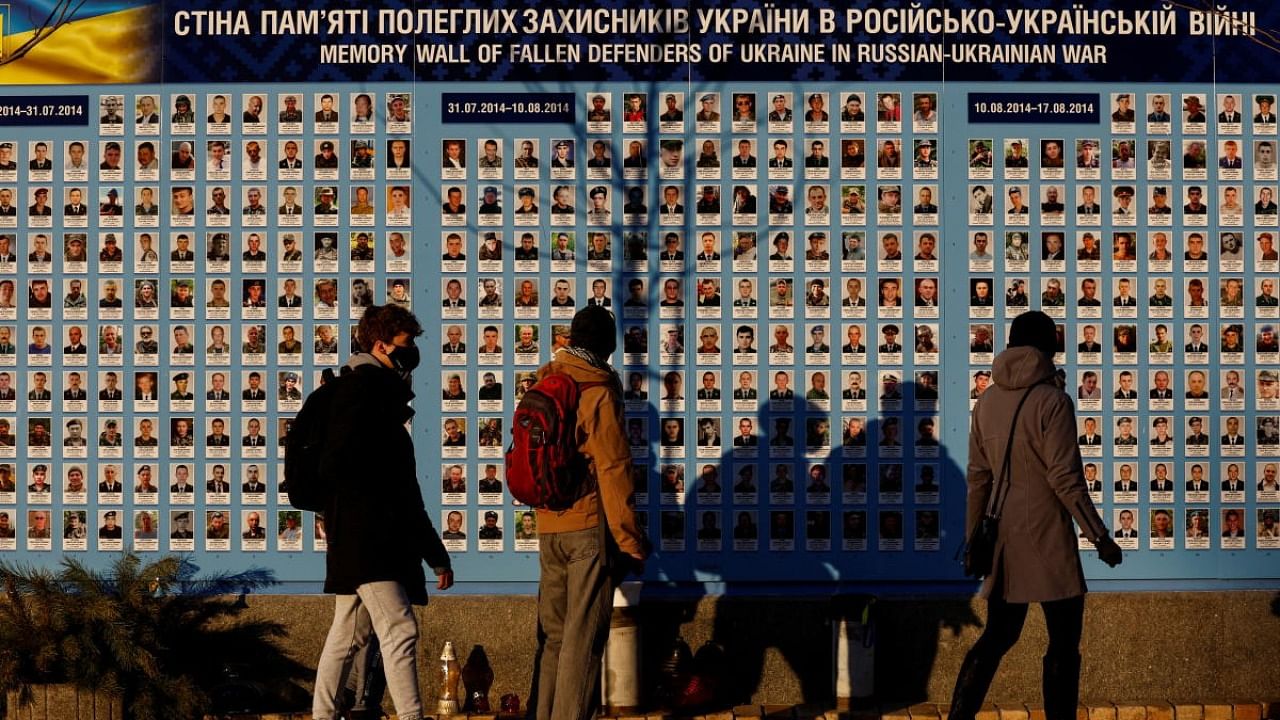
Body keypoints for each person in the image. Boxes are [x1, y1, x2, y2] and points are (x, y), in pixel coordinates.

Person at [950, 311, 1121, 720]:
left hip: (1005, 537)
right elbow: (1065, 478)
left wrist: (974, 538)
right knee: (1063, 641)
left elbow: (978, 479)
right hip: (1047, 536)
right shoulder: (1054, 401)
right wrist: (1099, 536)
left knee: (998, 635)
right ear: (1049, 349)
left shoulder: (987, 401)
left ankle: (959, 718)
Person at [311, 305, 454, 720]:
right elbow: (395, 490)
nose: (413, 355)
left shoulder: (362, 393)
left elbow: (399, 489)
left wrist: (433, 552)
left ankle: (322, 714)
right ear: (380, 346)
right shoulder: (367, 396)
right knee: (400, 630)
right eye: (406, 346)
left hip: (357, 536)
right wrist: (433, 552)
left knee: (348, 633)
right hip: (369, 539)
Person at [529, 305, 648, 720]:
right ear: (607, 346)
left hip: (548, 525)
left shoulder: (545, 381)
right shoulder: (597, 391)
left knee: (555, 638)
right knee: (583, 640)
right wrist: (630, 540)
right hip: (587, 528)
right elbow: (614, 469)